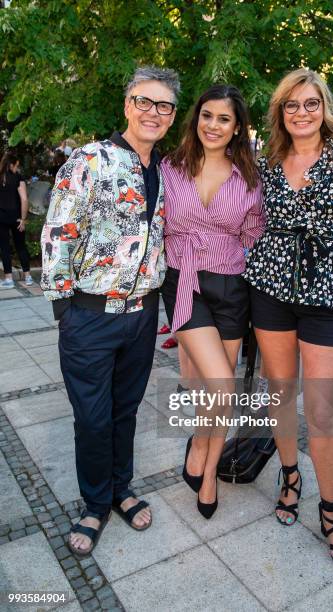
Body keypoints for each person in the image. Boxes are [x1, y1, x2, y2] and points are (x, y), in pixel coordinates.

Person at [244, 68, 333, 572]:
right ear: (280, 112)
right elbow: (250, 220)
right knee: (280, 392)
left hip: (329, 292)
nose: (301, 113)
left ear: (324, 107)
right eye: (291, 105)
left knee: (322, 409)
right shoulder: (267, 160)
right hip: (270, 287)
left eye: (310, 103)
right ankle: (290, 476)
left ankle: (331, 510)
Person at [41, 66, 179, 555]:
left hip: (142, 317)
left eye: (163, 106)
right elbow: (59, 231)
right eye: (144, 101)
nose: (153, 112)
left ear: (172, 116)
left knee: (124, 412)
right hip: (89, 316)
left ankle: (121, 490)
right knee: (93, 418)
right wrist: (64, 307)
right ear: (127, 105)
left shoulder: (166, 170)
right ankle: (94, 504)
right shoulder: (89, 160)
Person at [161, 84, 264, 519]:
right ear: (196, 118)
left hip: (231, 287)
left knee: (213, 388)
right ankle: (201, 445)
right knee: (221, 383)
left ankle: (207, 474)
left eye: (224, 118)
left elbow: (255, 237)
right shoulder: (169, 167)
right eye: (207, 115)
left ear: (237, 126)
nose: (213, 125)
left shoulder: (250, 178)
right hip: (184, 282)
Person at [0, 152, 33, 288]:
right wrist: (23, 219)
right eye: (16, 166)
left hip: (1, 218)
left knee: (4, 248)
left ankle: (9, 279)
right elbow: (24, 199)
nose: (17, 169)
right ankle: (28, 277)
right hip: (17, 217)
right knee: (21, 246)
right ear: (11, 164)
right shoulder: (18, 177)